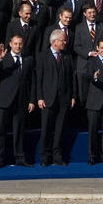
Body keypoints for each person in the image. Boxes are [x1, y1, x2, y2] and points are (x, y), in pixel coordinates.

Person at [0, 34, 35, 167]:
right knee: (0, 131)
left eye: (20, 44)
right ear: (10, 44)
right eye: (15, 43)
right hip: (4, 100)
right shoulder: (4, 58)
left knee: (19, 130)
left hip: (21, 101)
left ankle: (20, 158)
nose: (18, 46)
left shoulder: (28, 59)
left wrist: (32, 100)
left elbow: (32, 81)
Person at [35, 29, 75, 166]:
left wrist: (73, 96)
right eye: (62, 40)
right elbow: (38, 79)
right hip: (48, 99)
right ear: (54, 42)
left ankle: (57, 157)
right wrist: (39, 97)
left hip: (63, 99)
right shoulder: (42, 56)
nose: (65, 42)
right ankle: (45, 157)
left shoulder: (67, 56)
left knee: (59, 130)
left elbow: (71, 78)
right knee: (46, 129)